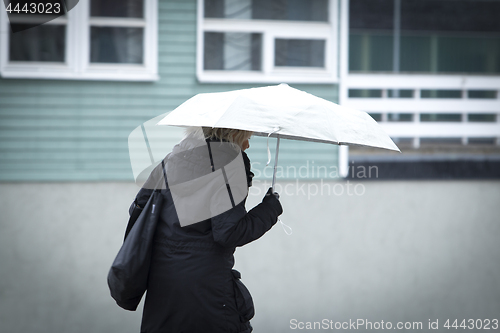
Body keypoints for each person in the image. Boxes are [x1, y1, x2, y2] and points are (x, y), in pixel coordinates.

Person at [132, 126, 283, 333]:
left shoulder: (170, 160)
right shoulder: (230, 165)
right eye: (247, 138)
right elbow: (228, 232)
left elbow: (139, 208)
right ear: (233, 136)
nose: (247, 145)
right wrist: (270, 208)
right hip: (207, 289)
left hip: (162, 284)